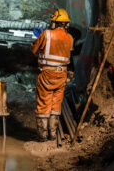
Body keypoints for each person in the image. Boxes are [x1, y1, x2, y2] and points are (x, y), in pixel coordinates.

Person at [31, 8, 74, 141]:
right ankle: (53, 134)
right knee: (56, 104)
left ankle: (42, 135)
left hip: (47, 74)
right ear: (66, 24)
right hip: (62, 75)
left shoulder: (47, 34)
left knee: (44, 102)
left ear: (54, 23)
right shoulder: (70, 38)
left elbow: (35, 51)